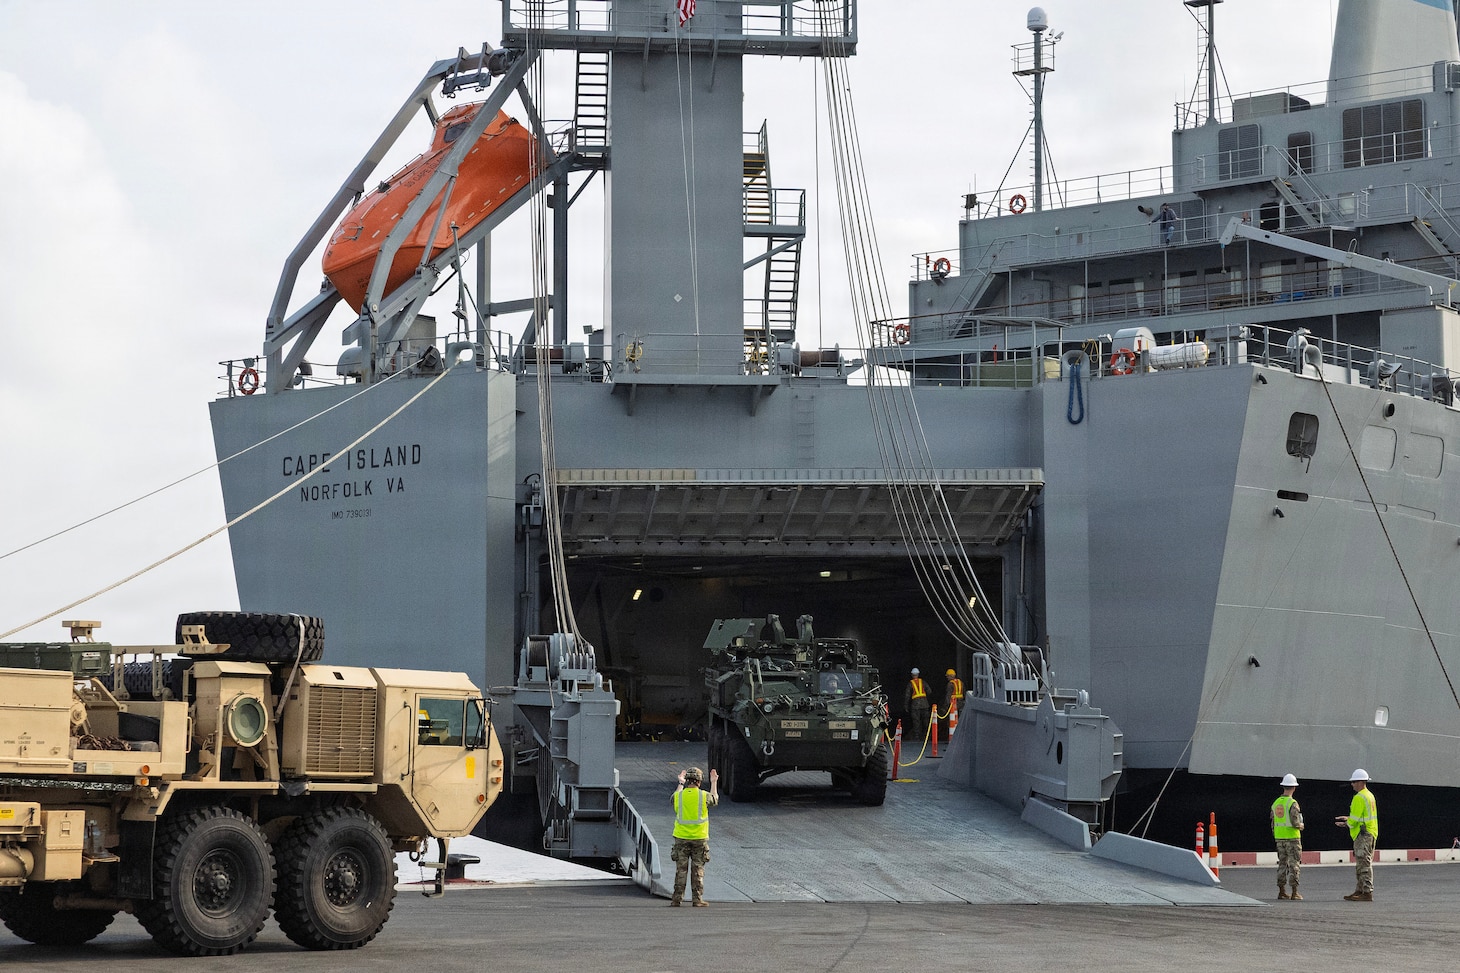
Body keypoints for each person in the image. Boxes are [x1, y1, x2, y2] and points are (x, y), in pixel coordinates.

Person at [669, 765, 719, 907]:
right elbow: (714, 799)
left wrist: (680, 783)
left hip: (681, 837)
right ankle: (697, 900)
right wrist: (714, 782)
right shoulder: (703, 795)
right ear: (699, 781)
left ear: (687, 780)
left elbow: (674, 798)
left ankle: (677, 899)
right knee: (698, 869)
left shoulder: (679, 796)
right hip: (699, 838)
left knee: (681, 869)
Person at [1336, 768, 1378, 901]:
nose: (1352, 784)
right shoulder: (1369, 795)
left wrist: (1345, 823)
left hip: (1363, 835)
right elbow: (1361, 816)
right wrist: (1348, 819)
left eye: (1354, 782)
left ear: (1361, 782)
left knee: (1363, 863)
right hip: (1369, 832)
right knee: (1361, 863)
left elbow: (1354, 820)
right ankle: (1360, 890)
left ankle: (1366, 892)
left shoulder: (1359, 797)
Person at [1271, 772, 1305, 900]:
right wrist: (1301, 825)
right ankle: (1294, 892)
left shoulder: (1276, 803)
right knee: (1294, 865)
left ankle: (1281, 891)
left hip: (1279, 838)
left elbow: (1273, 823)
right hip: (1292, 838)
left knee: (1282, 864)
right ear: (1294, 787)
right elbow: (1295, 822)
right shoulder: (1292, 803)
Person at [903, 668, 930, 744]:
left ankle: (917, 737)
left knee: (916, 721)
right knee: (926, 721)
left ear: (912, 675)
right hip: (925, 704)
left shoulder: (910, 683)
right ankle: (926, 736)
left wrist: (906, 706)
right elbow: (929, 691)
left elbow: (907, 696)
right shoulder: (923, 682)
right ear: (918, 674)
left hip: (915, 705)